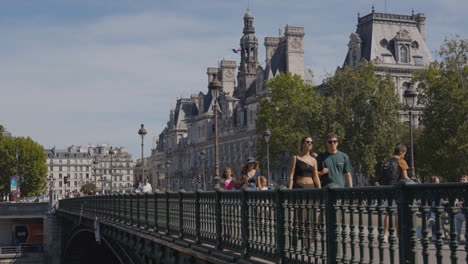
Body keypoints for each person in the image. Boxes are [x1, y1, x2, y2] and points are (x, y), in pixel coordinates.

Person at [382, 144, 412, 242]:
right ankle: (398, 236)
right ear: (401, 152)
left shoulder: (387, 161)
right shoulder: (401, 161)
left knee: (387, 213)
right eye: (404, 154)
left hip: (387, 190)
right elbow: (405, 177)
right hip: (396, 190)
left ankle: (385, 235)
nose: (404, 156)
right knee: (397, 214)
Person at [456, 175, 467, 243]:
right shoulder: (459, 190)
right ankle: (457, 237)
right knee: (457, 217)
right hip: (461, 211)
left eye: (464, 180)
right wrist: (458, 202)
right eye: (461, 180)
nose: (462, 181)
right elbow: (456, 200)